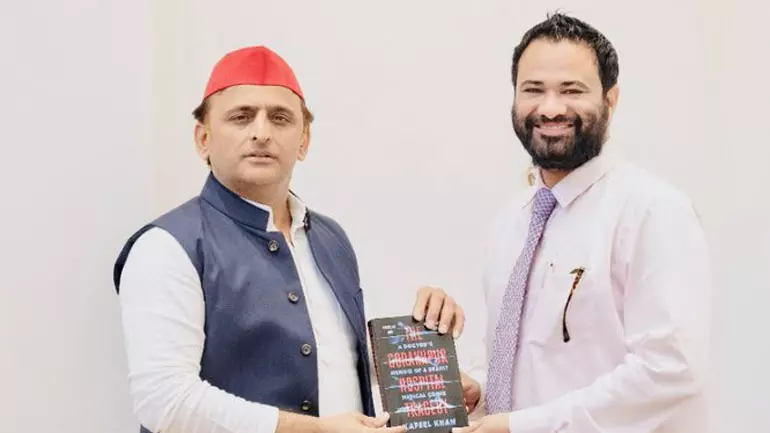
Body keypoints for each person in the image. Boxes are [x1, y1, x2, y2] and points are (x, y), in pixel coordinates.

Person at [113, 45, 469, 433]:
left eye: (280, 118)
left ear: (303, 140)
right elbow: (165, 402)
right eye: (241, 117)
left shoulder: (331, 238)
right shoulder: (166, 247)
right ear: (203, 138)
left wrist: (429, 361)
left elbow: (335, 361)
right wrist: (316, 430)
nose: (261, 132)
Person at [454, 13, 713, 433]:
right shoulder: (512, 220)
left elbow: (670, 371)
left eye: (571, 90)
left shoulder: (653, 211)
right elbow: (529, 358)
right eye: (533, 90)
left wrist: (521, 426)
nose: (550, 108)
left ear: (610, 100)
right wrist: (481, 391)